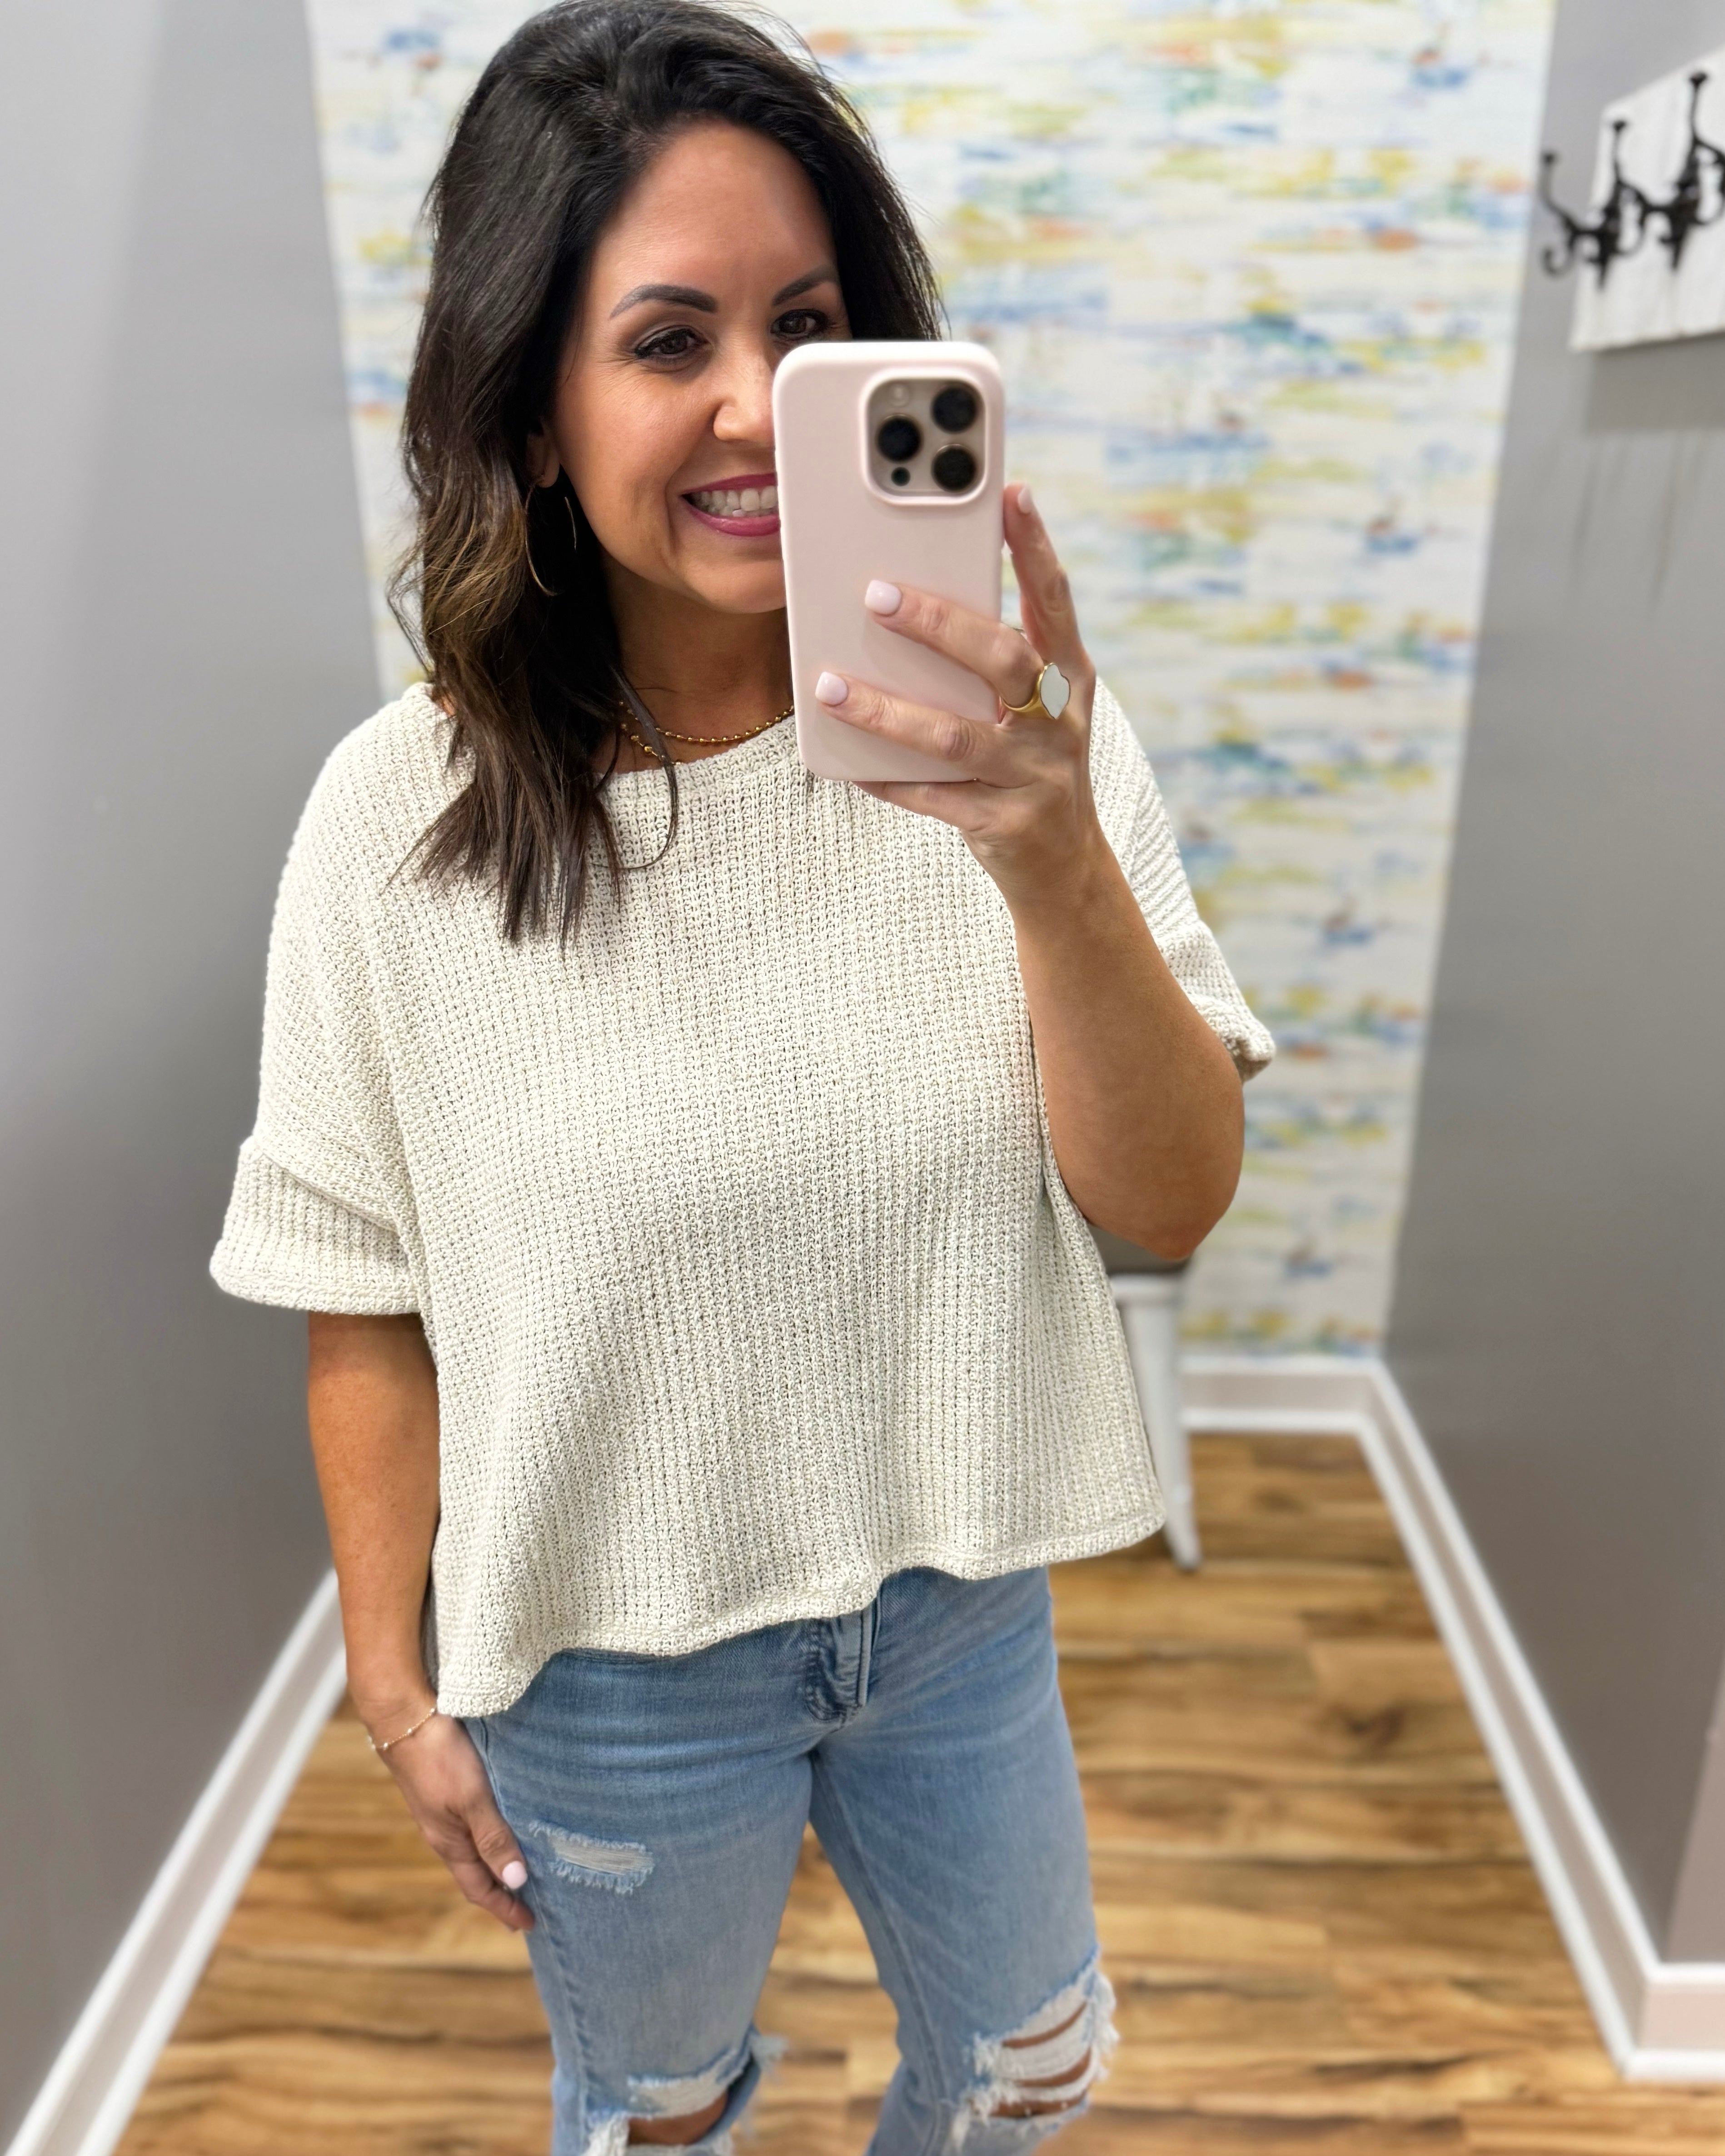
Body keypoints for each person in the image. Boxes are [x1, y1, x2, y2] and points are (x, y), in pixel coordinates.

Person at [212, 3, 1273, 2150]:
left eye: (803, 330)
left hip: (956, 1603)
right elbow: (364, 1288)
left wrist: (1051, 849)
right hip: (601, 1667)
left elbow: (1166, 1205)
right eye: (666, 337)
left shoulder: (1020, 738)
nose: (748, 406)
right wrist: (391, 1674)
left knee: (1037, 2073)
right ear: (526, 409)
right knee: (662, 2108)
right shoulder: (390, 821)